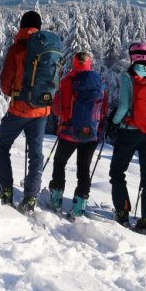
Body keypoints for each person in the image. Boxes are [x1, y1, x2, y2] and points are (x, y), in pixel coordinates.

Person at [0, 10, 63, 213]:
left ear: (22, 26)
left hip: (18, 109)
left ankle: (6, 190)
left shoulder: (17, 49)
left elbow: (5, 85)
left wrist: (14, 92)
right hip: (41, 111)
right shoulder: (48, 49)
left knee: (2, 147)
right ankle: (31, 197)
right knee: (36, 155)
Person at [108, 42, 146, 235]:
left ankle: (123, 212)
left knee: (117, 171)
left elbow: (124, 105)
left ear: (132, 57)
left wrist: (114, 121)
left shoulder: (128, 76)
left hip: (130, 131)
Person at [48, 52, 106, 218]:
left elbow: (57, 108)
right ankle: (79, 205)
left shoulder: (67, 82)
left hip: (69, 132)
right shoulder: (99, 82)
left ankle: (57, 198)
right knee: (84, 168)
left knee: (59, 162)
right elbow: (103, 109)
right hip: (91, 135)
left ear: (74, 63)